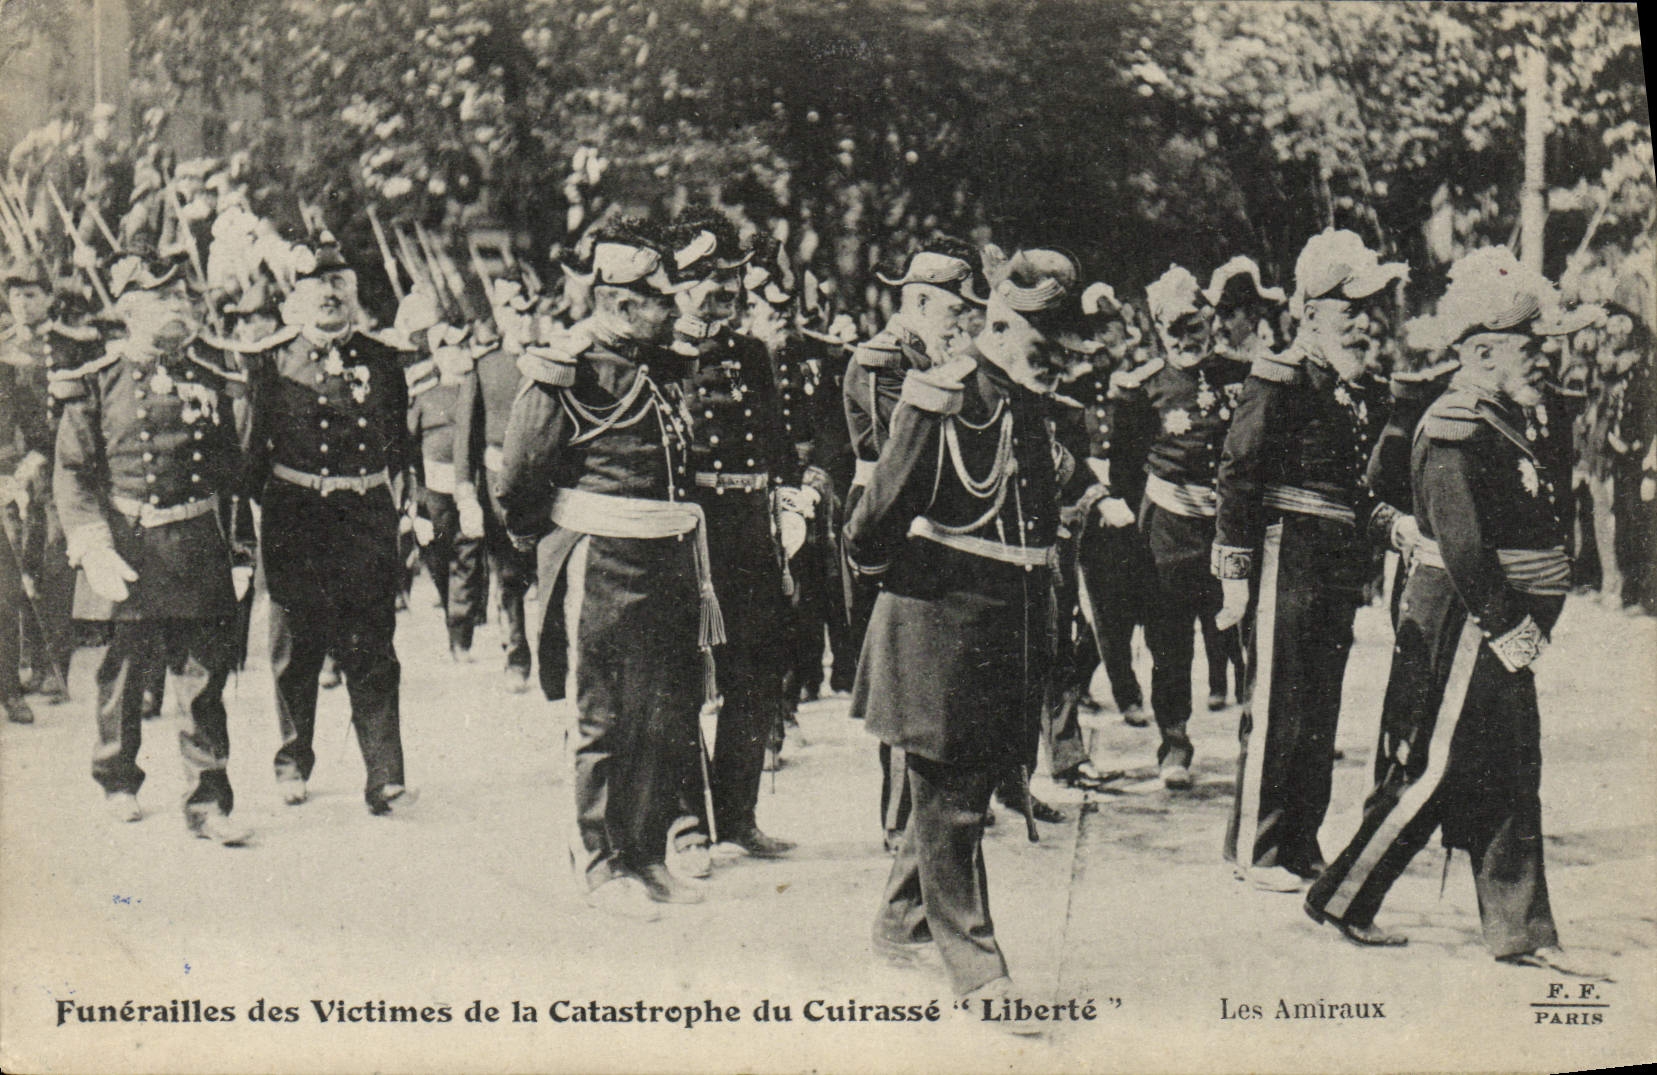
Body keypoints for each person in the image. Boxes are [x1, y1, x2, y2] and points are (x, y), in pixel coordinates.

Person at [1304, 248, 1606, 980]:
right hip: (1473, 624)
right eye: (1529, 346)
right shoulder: (1454, 425)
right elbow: (1463, 545)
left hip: (1498, 623)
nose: (1543, 359)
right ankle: (1342, 896)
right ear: (1478, 351)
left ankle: (1518, 929)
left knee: (1508, 768)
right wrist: (1509, 627)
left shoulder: (1510, 415)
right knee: (1434, 772)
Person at [850, 248, 1091, 1020]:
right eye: (1042, 344)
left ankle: (900, 921)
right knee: (953, 801)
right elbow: (873, 524)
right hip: (940, 619)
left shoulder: (1029, 401)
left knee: (971, 781)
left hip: (1008, 618)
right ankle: (977, 967)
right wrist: (909, 596)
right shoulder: (942, 397)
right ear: (995, 321)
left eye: (1065, 349)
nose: (1056, 361)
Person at [497, 218, 708, 918]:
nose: (674, 309)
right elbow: (523, 474)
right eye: (660, 299)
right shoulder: (570, 366)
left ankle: (643, 854)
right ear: (620, 302)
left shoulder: (656, 361)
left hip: (665, 555)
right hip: (604, 559)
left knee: (661, 714)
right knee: (602, 715)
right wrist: (548, 546)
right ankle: (596, 860)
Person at [1211, 229, 1408, 891]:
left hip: (1330, 565)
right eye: (1349, 308)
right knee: (1276, 705)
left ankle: (1299, 841)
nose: (1362, 322)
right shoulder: (1280, 375)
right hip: (1282, 556)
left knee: (1317, 708)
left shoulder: (1347, 387)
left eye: (1367, 308)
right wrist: (1235, 578)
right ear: (1313, 311)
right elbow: (1238, 472)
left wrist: (1388, 525)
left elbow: (1351, 489)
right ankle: (1256, 849)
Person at [49, 250, 251, 843]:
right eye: (165, 299)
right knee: (123, 674)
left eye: (183, 298)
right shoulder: (97, 381)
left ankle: (209, 800)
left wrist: (240, 550)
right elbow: (74, 471)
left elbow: (229, 475)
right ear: (131, 308)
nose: (179, 309)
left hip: (193, 544)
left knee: (203, 679)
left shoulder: (210, 378)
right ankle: (117, 779)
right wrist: (90, 542)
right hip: (127, 549)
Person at [240, 234, 416, 816]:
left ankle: (385, 773)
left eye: (339, 284)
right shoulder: (271, 360)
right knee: (297, 647)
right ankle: (293, 757)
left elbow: (400, 446)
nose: (330, 295)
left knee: (372, 644)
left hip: (364, 516)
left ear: (354, 293)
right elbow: (250, 455)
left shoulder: (383, 358)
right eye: (317, 285)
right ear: (297, 295)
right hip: (297, 519)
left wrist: (406, 514)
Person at [666, 209, 812, 868]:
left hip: (751, 530)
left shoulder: (754, 351)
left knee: (754, 675)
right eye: (704, 278)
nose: (720, 290)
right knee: (683, 681)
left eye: (727, 278)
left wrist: (785, 511)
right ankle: (684, 825)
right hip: (692, 534)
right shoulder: (666, 352)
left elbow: (777, 447)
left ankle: (737, 814)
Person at [843, 236, 985, 851]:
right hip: (892, 524)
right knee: (906, 680)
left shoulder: (930, 354)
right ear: (923, 301)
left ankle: (934, 812)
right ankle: (901, 824)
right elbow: (900, 452)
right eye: (957, 308)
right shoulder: (880, 360)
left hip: (932, 528)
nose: (965, 320)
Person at [1108, 262, 1258, 788]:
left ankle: (1254, 741)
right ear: (1156, 328)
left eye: (1193, 326)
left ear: (1210, 320)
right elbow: (1124, 468)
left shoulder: (1243, 375)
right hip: (1168, 529)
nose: (1184, 338)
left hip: (1229, 528)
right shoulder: (1138, 388)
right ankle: (1174, 745)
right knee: (1169, 644)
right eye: (1172, 329)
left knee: (1246, 639)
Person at [1057, 283, 1150, 730]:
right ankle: (1126, 692)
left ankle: (1077, 679)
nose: (1104, 341)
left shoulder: (1133, 385)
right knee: (1103, 603)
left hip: (1129, 502)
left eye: (1110, 329)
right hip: (1087, 504)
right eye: (1096, 331)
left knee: (1124, 602)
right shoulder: (1072, 388)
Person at [453, 277, 540, 692]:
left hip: (547, 487)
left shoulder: (553, 365)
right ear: (500, 318)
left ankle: (552, 654)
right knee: (509, 574)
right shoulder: (485, 367)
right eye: (512, 312)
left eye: (527, 311)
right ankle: (518, 655)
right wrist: (465, 491)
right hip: (498, 486)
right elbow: (465, 436)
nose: (522, 319)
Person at [408, 323, 488, 659]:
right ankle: (451, 615)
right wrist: (415, 503)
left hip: (469, 489)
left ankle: (461, 635)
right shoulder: (424, 396)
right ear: (438, 356)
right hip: (433, 492)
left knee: (467, 560)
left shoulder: (476, 392)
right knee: (438, 560)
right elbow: (407, 450)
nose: (460, 354)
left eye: (463, 346)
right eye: (451, 349)